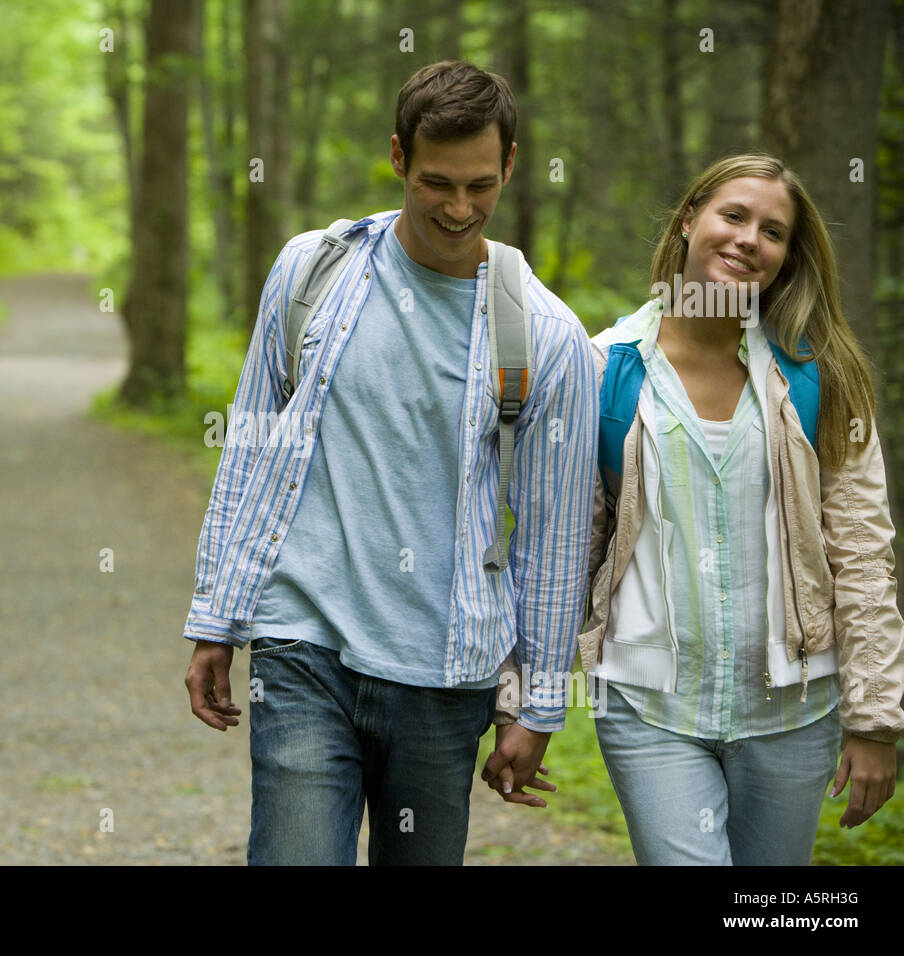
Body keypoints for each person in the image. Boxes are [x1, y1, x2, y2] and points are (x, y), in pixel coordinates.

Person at [180, 60, 598, 865]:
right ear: (399, 156)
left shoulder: (547, 339)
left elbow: (552, 538)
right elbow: (252, 446)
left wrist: (537, 704)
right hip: (304, 646)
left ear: (510, 165)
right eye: (436, 182)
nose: (458, 207)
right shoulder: (311, 272)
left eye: (481, 185)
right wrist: (216, 618)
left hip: (444, 673)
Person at [580, 153, 904, 865]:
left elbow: (860, 552)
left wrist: (874, 717)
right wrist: (532, 698)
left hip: (793, 711)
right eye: (733, 215)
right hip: (649, 703)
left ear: (788, 257)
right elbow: (573, 544)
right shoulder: (605, 367)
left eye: (773, 231)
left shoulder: (822, 376)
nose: (748, 238)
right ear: (690, 218)